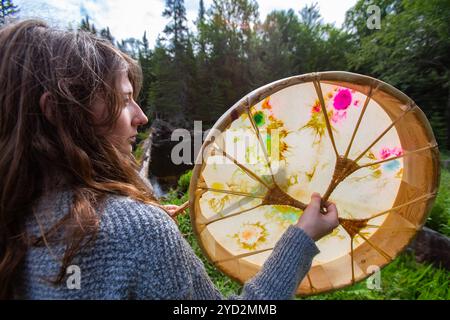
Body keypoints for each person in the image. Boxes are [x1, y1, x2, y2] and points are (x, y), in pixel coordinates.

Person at [0, 20, 339, 300]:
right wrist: (301, 240)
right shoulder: (137, 233)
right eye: (125, 99)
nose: (141, 117)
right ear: (58, 112)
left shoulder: (19, 220)